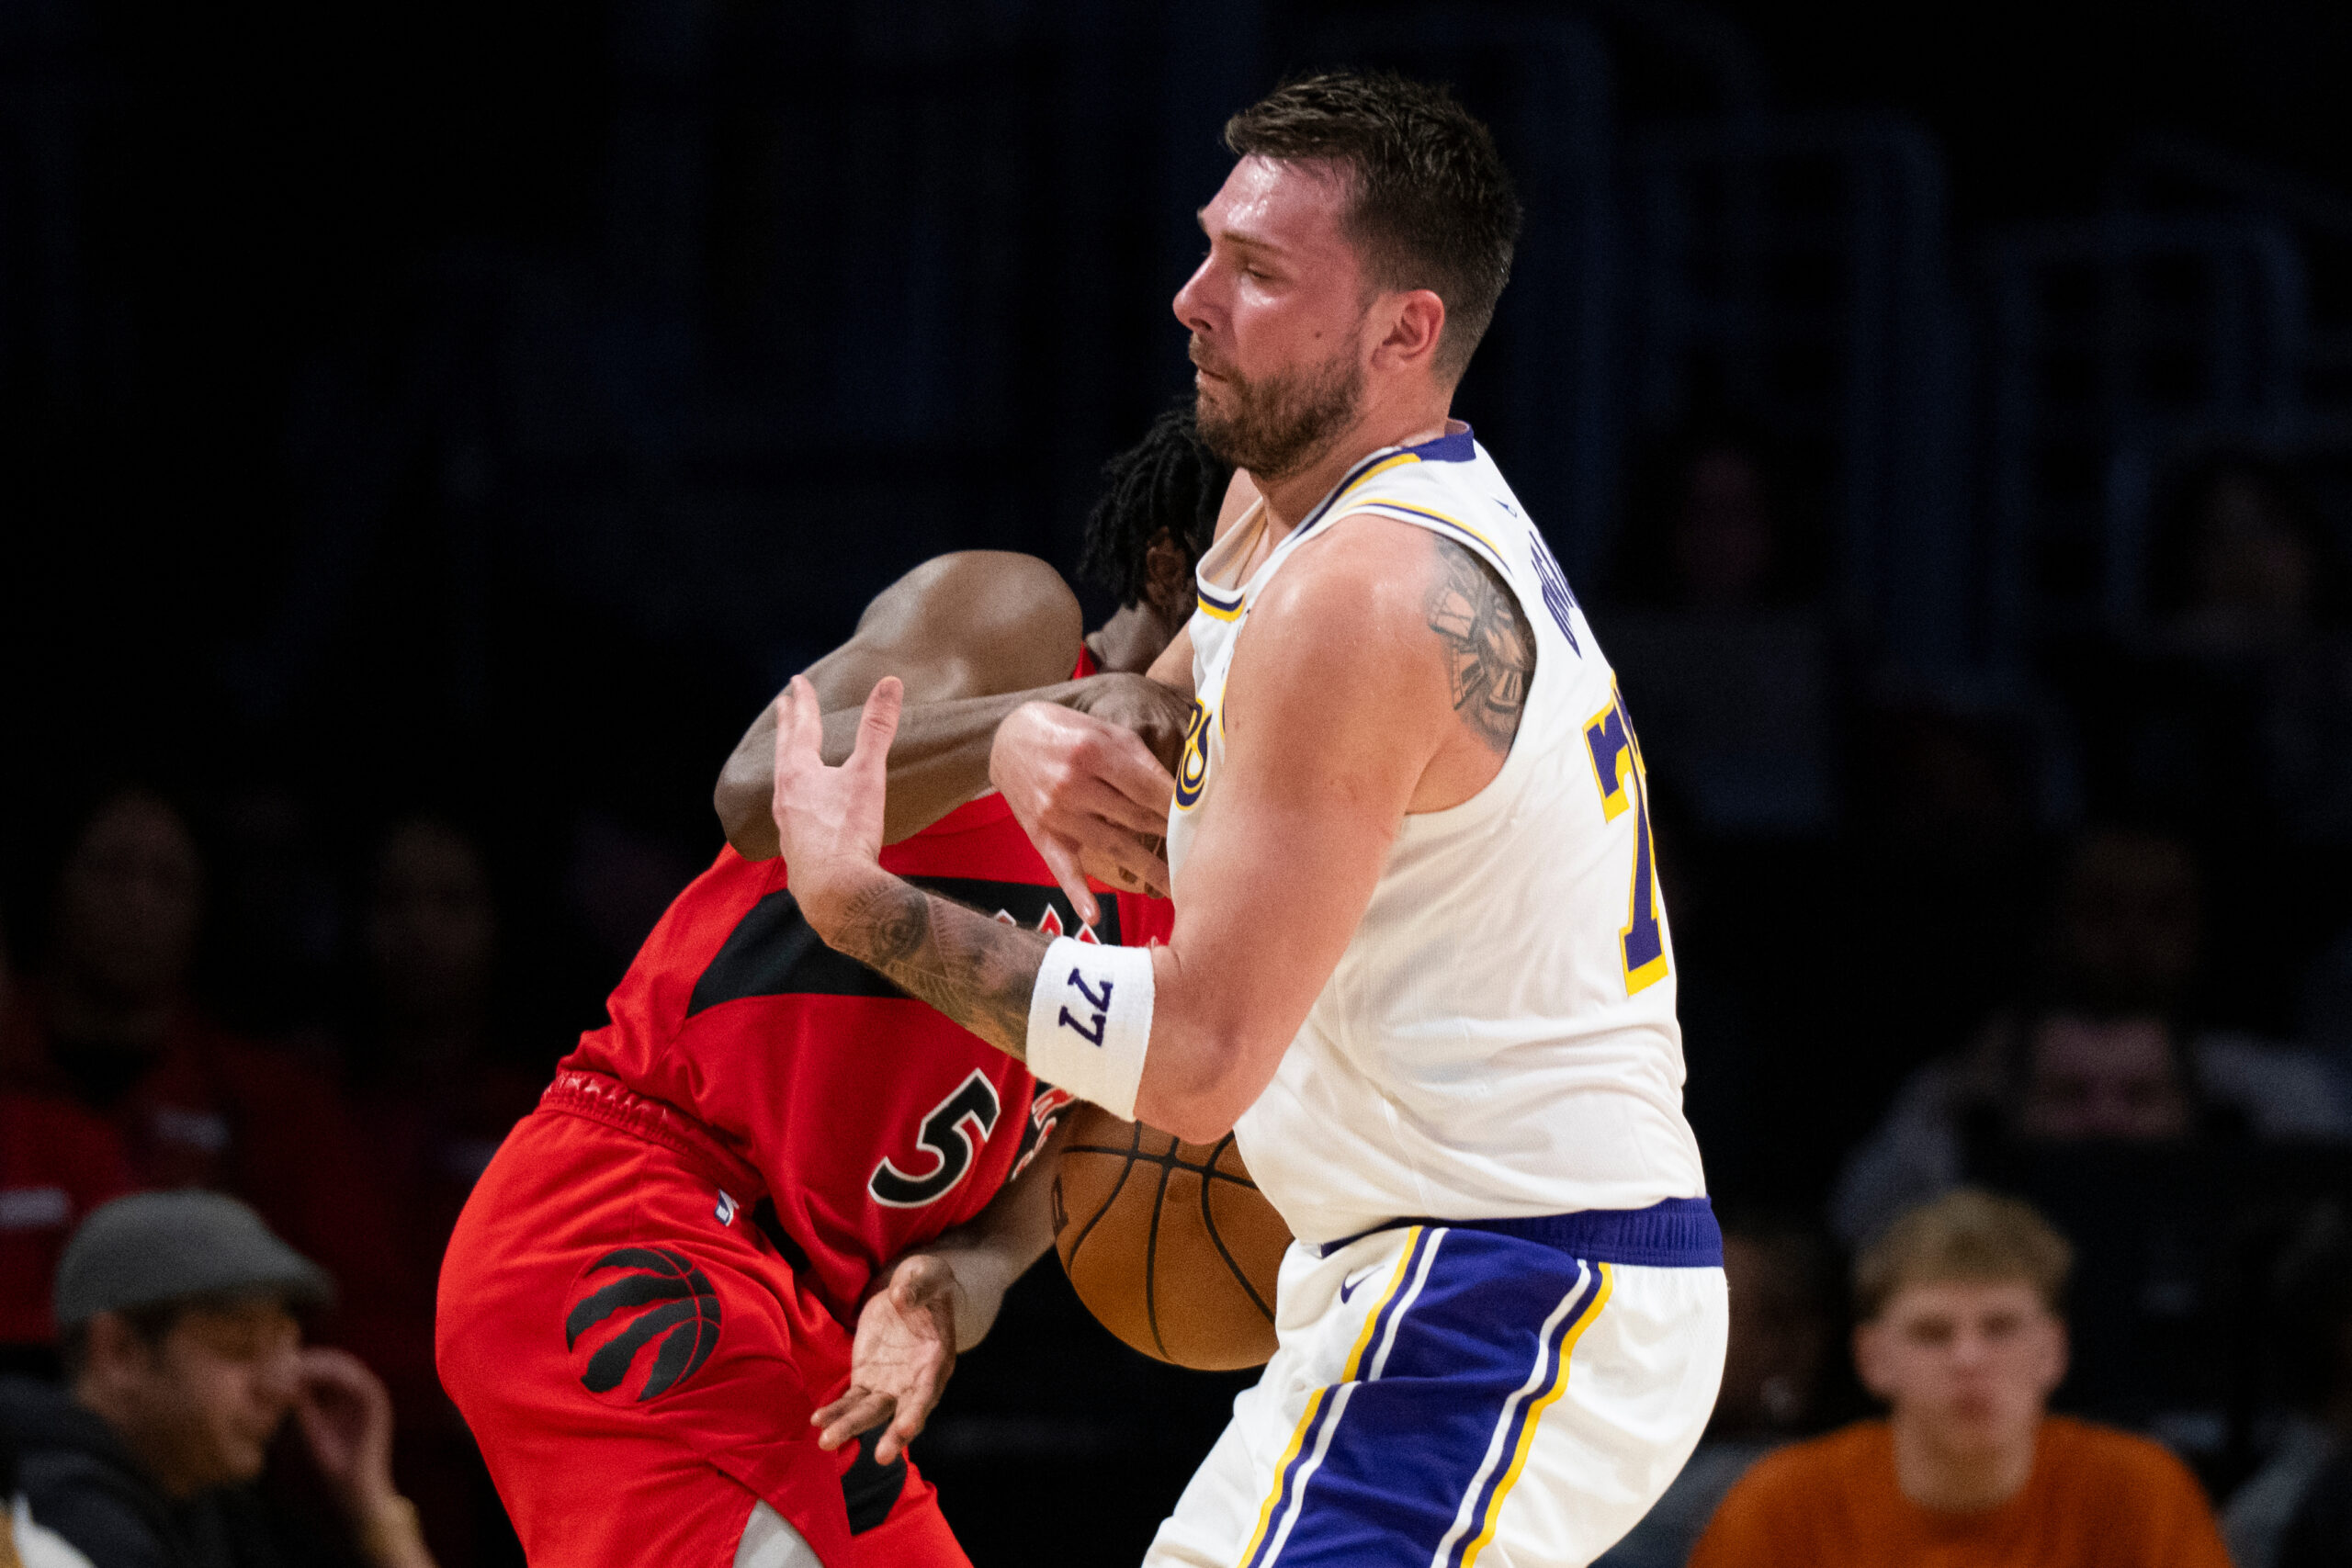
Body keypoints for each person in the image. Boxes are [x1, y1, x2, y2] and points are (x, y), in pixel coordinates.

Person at [767, 71, 1726, 1566]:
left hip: (1506, 1291)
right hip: (1453, 1281)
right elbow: (1253, 777)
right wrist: (1080, 766)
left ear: (1407, 330)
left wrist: (867, 912)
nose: (1190, 295)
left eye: (1259, 272)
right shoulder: (1286, 508)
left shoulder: (1367, 593)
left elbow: (1201, 1062)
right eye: (1212, 245)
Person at [436, 411, 1221, 1568]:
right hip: (634, 1199)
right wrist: (1035, 722)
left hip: (812, 1322)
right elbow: (756, 789)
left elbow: (1065, 1174)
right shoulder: (1017, 620)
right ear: (1172, 563)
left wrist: (953, 1285)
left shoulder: (1199, 879)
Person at [1687, 1189, 2231, 1567]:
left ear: (2055, 1349)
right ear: (1871, 1357)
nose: (1968, 1358)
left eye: (2001, 1327)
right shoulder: (1781, 1507)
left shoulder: (2142, 1495)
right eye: (1931, 1332)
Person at [0, 1191, 435, 1568]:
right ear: (119, 1352)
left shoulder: (209, 1498)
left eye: (287, 1345)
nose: (282, 1387)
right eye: (240, 1348)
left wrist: (371, 1502)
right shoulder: (66, 1517)